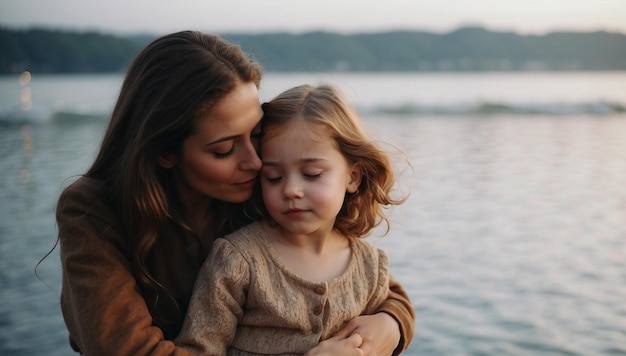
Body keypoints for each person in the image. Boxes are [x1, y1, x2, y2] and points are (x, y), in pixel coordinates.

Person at [55, 31, 414, 355]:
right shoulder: (93, 210)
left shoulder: (269, 193)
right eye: (225, 150)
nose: (257, 162)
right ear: (164, 152)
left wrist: (391, 327)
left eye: (256, 135)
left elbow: (369, 283)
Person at [175, 83, 411, 355]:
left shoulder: (371, 266)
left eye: (311, 174)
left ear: (353, 177)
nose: (290, 190)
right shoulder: (238, 260)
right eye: (273, 177)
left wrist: (390, 323)